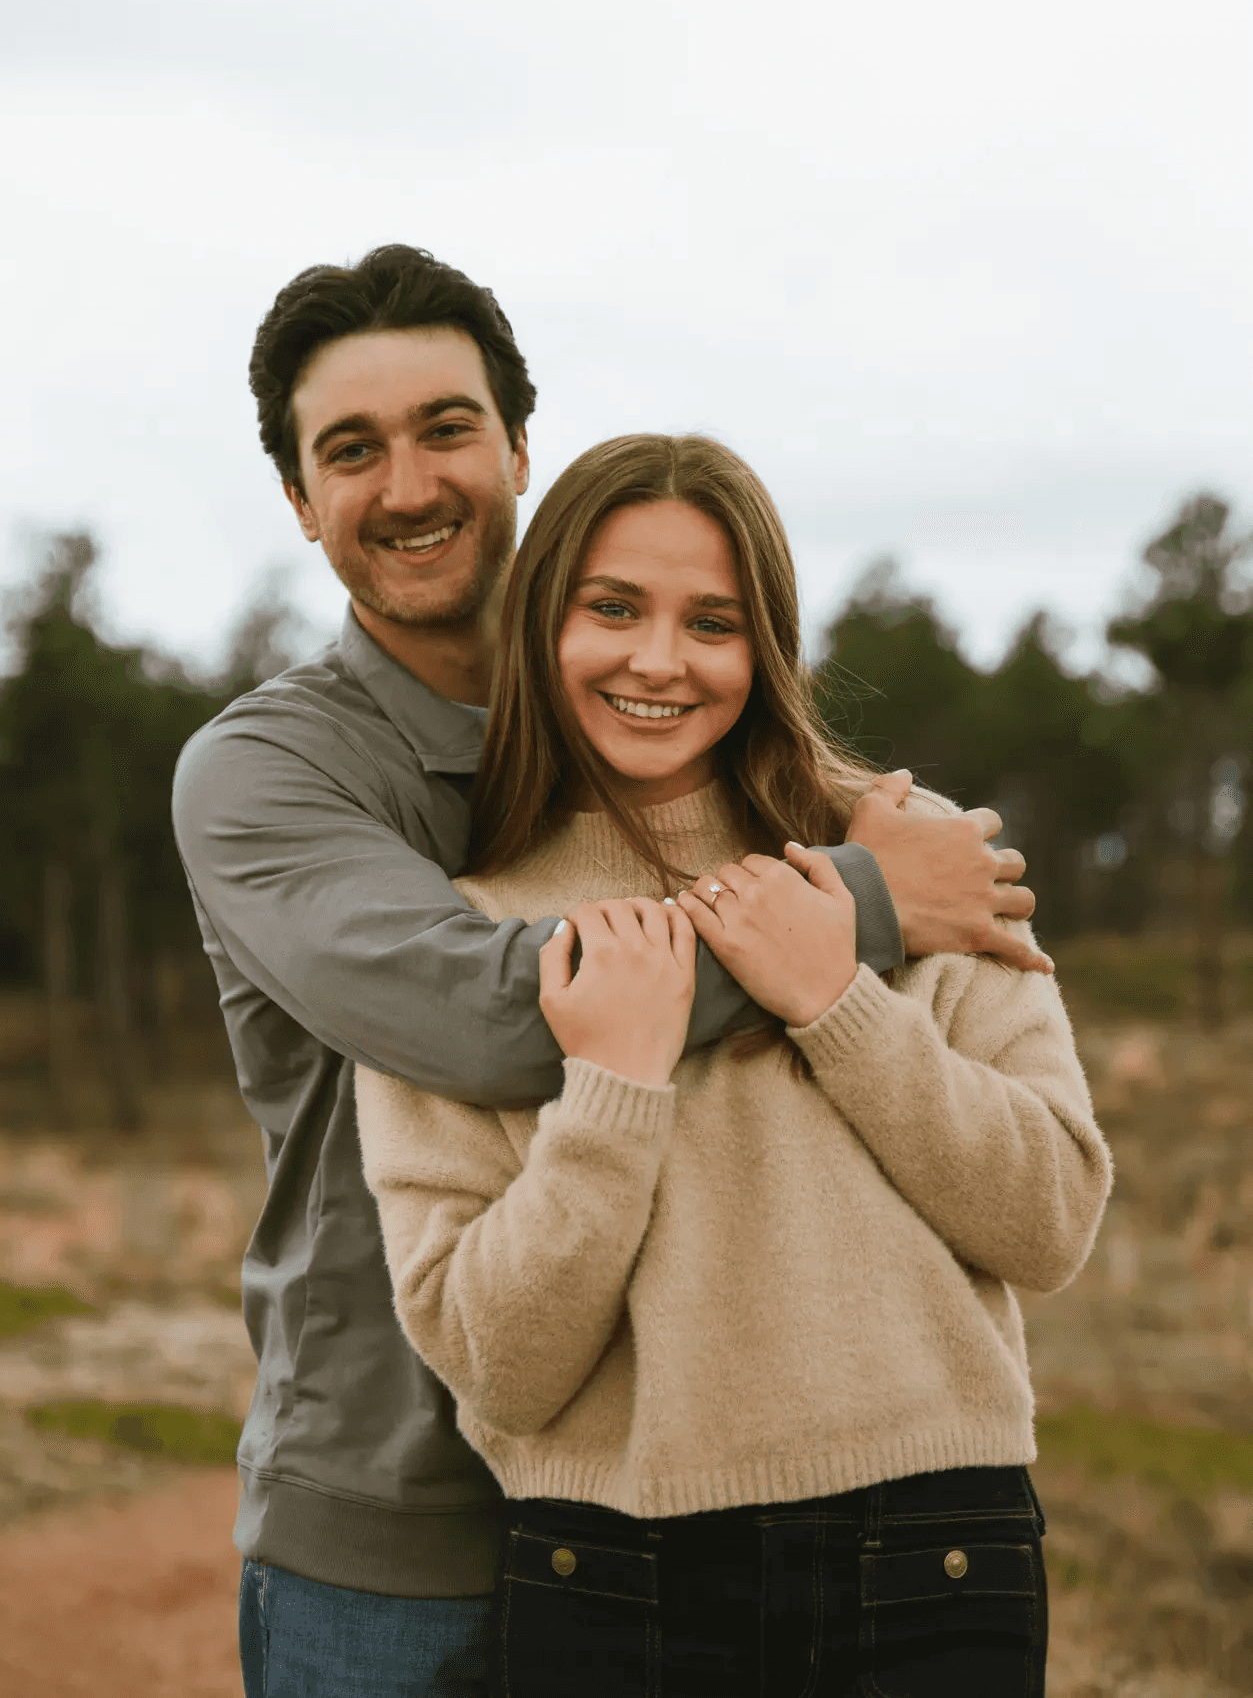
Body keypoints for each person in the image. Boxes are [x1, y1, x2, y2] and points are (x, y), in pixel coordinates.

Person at [171, 246, 1051, 1698]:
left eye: (446, 427)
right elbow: (496, 1012)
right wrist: (868, 906)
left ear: (520, 444)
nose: (408, 484)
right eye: (351, 450)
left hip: (700, 1505)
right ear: (297, 499)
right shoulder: (269, 772)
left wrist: (873, 855)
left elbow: (1036, 1178)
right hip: (398, 1520)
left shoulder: (666, 720)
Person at [353, 432, 1112, 1695]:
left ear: (766, 648)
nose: (661, 659)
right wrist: (610, 1093)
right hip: (609, 1576)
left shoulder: (914, 858)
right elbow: (497, 1365)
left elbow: (1052, 1218)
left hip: (935, 1556)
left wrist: (837, 997)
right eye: (613, 607)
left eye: (714, 620)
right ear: (544, 621)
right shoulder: (467, 935)